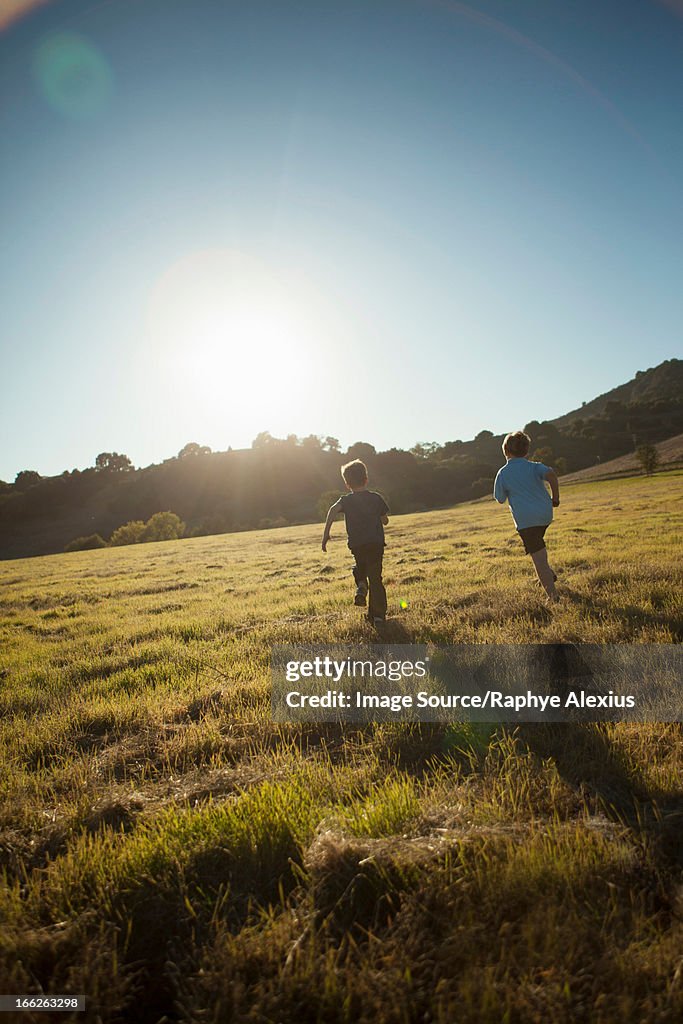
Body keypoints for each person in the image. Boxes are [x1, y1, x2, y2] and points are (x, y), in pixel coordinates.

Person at [493, 431, 560, 602]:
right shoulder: (534, 466)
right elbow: (551, 474)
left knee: (539, 560)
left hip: (526, 521)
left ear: (505, 450)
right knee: (538, 549)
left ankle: (553, 597)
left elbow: (500, 499)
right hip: (545, 515)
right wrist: (555, 498)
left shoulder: (503, 473)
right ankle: (548, 573)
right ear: (526, 450)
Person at [322, 459, 389, 626]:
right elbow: (385, 520)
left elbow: (332, 510)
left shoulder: (345, 500)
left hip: (357, 544)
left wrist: (326, 534)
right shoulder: (376, 498)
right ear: (366, 479)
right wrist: (381, 518)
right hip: (375, 543)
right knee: (375, 578)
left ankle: (360, 585)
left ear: (347, 484)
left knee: (360, 568)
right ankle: (378, 616)